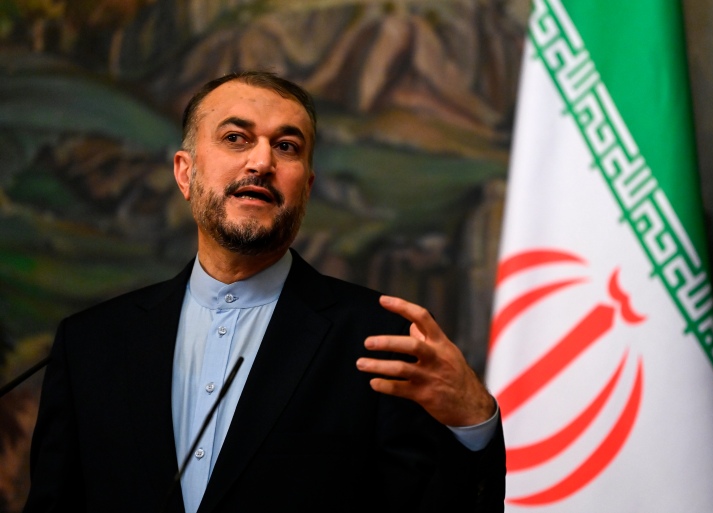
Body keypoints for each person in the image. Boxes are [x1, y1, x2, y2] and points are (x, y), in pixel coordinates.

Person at [24, 71, 505, 513]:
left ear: (307, 187)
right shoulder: (91, 344)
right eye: (236, 138)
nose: (262, 161)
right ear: (184, 173)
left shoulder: (379, 342)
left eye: (288, 147)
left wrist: (474, 423)